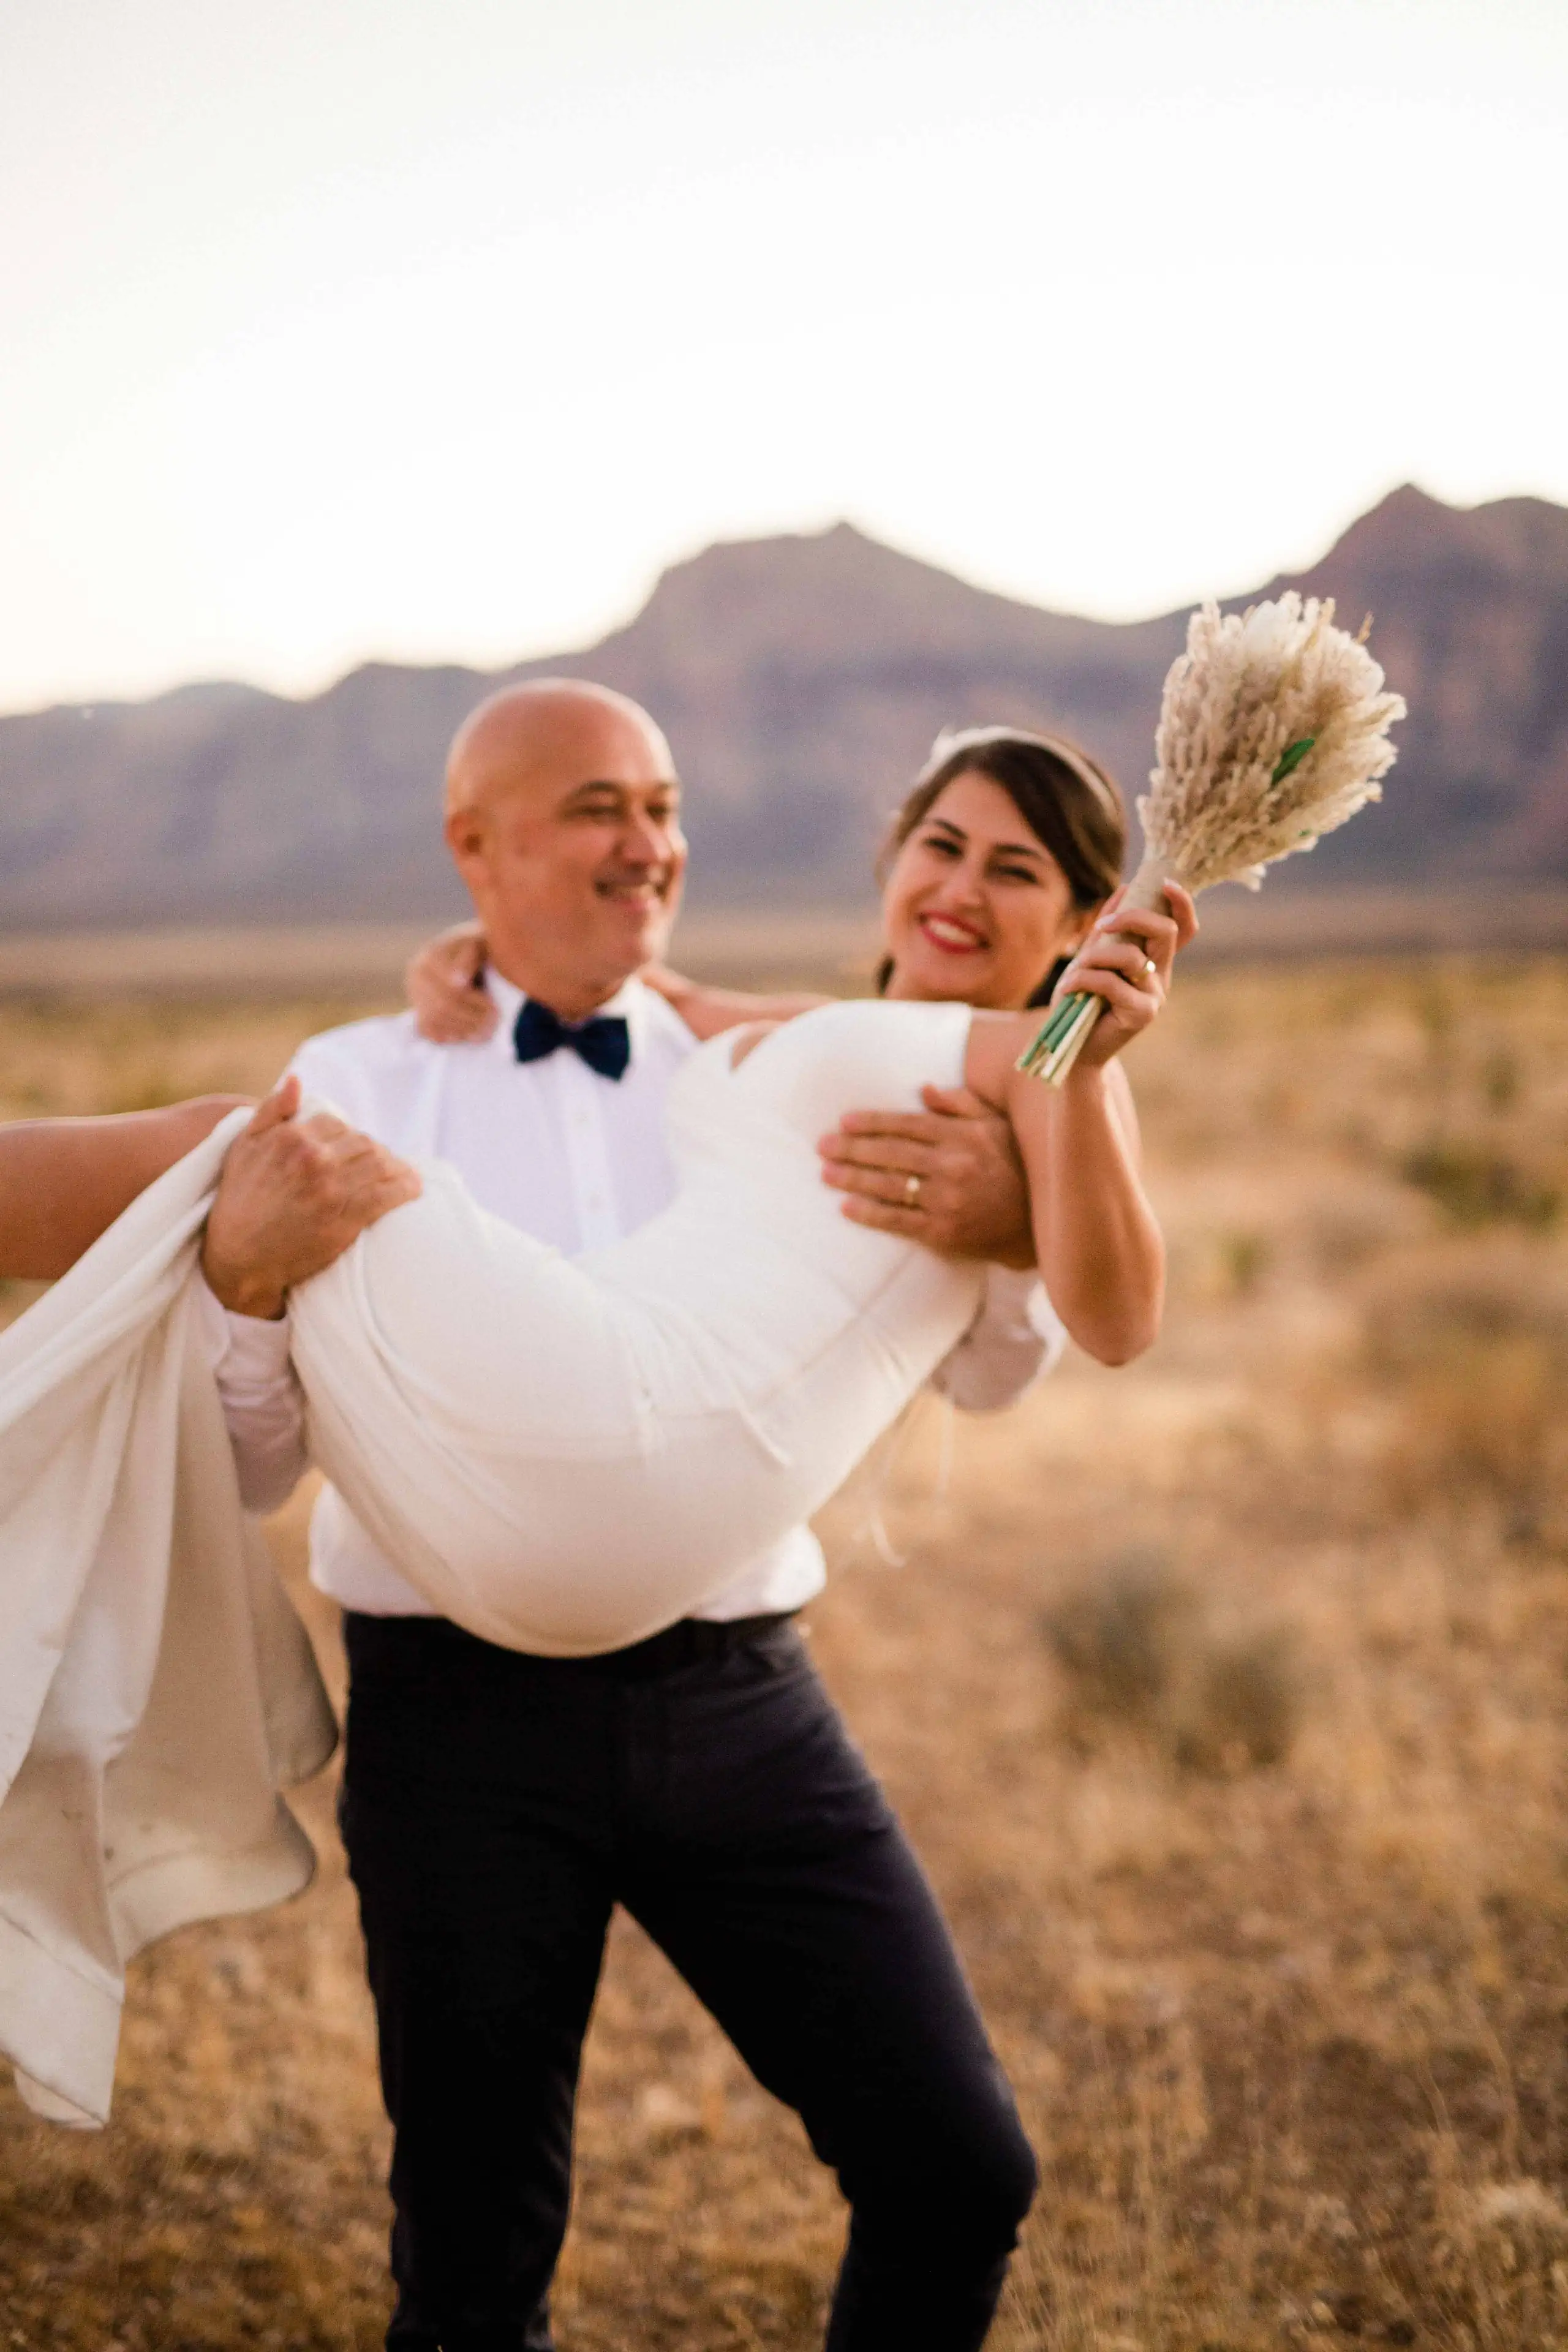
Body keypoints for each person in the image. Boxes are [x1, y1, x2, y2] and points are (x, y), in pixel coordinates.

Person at [0, 686, 1193, 2351]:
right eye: (594, 809)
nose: (645, 843)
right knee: (470, 2261)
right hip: (456, 1705)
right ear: (472, 852)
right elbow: (255, 1466)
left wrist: (1022, 1199)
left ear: (1075, 921)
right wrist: (257, 1294)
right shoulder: (390, 1066)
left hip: (733, 1692)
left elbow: (1039, 1334)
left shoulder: (825, 1053)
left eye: (664, 804)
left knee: (954, 2167)